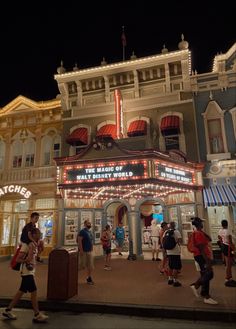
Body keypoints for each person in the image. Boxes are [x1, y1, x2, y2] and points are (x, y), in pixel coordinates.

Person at [2, 228, 49, 322]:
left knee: (21, 291)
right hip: (27, 272)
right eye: (38, 233)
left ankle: (8, 310)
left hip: (30, 271)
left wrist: (39, 255)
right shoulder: (26, 245)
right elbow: (18, 259)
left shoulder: (33, 245)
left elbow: (33, 257)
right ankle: (37, 314)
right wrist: (26, 261)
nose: (40, 235)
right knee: (34, 292)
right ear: (33, 234)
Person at [189, 217, 218, 305]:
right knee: (209, 273)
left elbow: (209, 239)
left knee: (205, 274)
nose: (202, 224)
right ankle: (196, 286)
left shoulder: (199, 232)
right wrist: (208, 260)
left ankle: (204, 293)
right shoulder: (198, 234)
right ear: (198, 224)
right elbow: (201, 248)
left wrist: (202, 231)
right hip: (202, 256)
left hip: (201, 256)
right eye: (201, 223)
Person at [218, 219, 236, 287]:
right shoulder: (227, 231)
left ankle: (230, 278)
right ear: (227, 224)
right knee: (228, 264)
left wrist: (222, 243)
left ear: (222, 224)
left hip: (224, 247)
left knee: (228, 263)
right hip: (228, 247)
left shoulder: (220, 230)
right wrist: (234, 250)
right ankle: (227, 279)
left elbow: (219, 238)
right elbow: (230, 242)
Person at [164, 221, 182, 287]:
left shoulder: (166, 232)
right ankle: (175, 280)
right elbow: (180, 240)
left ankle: (170, 279)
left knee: (170, 265)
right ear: (174, 225)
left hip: (169, 251)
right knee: (176, 266)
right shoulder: (176, 232)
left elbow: (164, 241)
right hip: (175, 251)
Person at [77, 219, 94, 285]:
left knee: (90, 266)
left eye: (90, 223)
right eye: (88, 223)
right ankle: (72, 277)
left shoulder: (89, 232)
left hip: (89, 251)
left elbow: (91, 240)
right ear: (85, 224)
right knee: (81, 266)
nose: (89, 224)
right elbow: (79, 241)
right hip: (84, 251)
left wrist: (91, 247)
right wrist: (81, 250)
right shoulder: (82, 232)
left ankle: (89, 278)